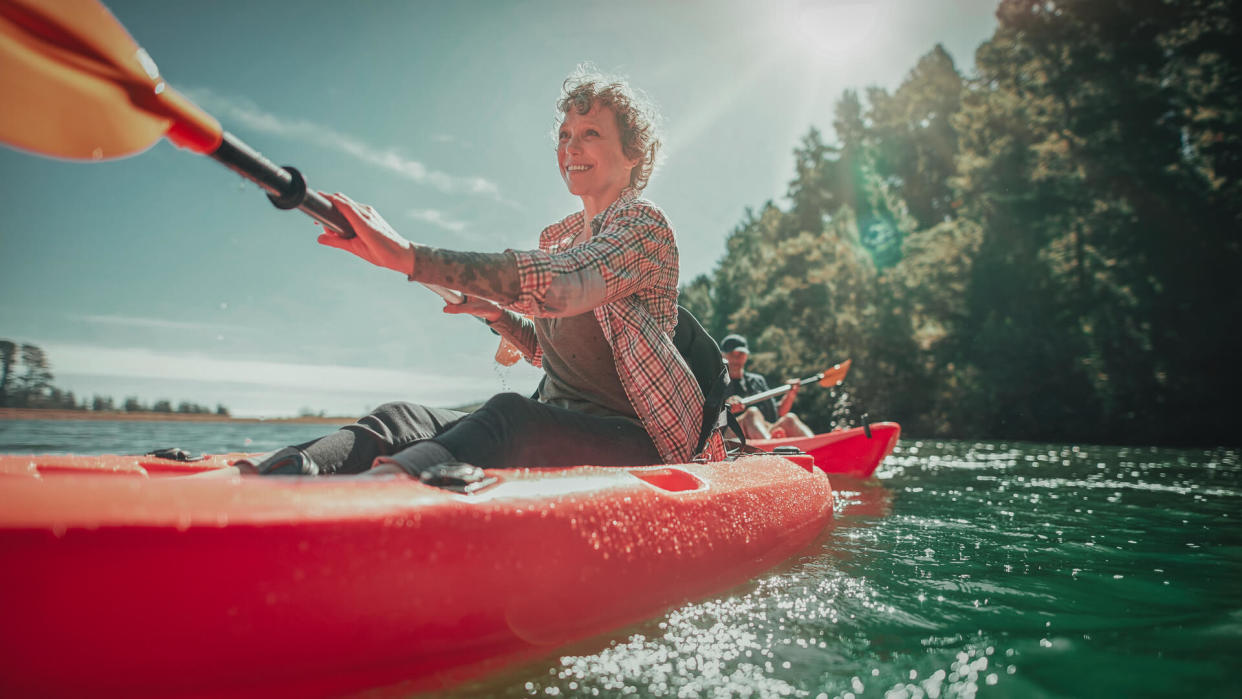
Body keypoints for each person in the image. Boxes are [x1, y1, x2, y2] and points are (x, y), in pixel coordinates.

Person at [241, 68, 725, 478]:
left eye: (591, 134)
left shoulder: (643, 227)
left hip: (639, 444)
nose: (571, 148)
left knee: (508, 416)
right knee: (399, 417)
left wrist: (409, 256)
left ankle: (386, 496)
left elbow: (564, 284)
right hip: (557, 421)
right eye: (564, 135)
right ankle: (276, 479)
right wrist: (496, 315)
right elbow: (554, 352)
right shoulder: (558, 238)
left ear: (634, 153)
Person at [720, 334, 814, 441]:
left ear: (746, 356)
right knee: (752, 413)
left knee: (789, 418)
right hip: (731, 437)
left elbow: (778, 412)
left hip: (764, 433)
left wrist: (790, 395)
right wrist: (727, 408)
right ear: (723, 356)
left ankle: (819, 443)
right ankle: (771, 446)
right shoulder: (715, 383)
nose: (736, 358)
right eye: (732, 354)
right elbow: (707, 421)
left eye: (741, 354)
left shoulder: (757, 381)